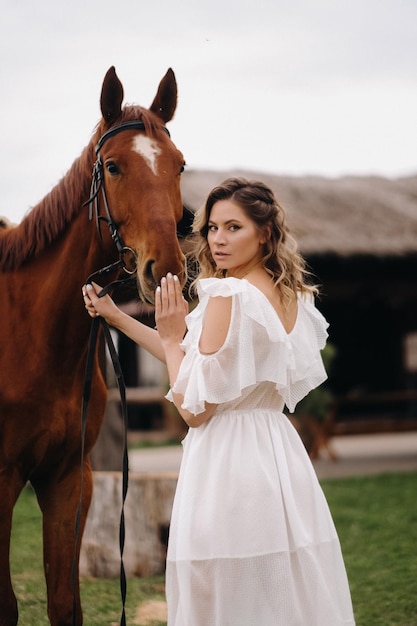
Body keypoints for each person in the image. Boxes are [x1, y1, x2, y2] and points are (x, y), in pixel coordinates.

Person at [82, 178, 355, 626]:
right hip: (276, 453)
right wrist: (117, 317)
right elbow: (196, 363)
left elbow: (194, 408)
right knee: (277, 588)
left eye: (234, 227)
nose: (218, 239)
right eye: (212, 228)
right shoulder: (291, 294)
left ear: (264, 233)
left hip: (228, 459)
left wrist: (172, 337)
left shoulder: (228, 294)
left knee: (221, 591)